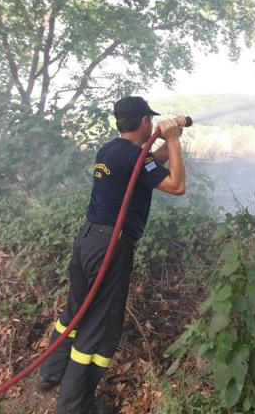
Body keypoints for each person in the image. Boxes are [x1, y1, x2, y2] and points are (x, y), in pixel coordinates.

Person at [36, 96, 188, 414]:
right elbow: (176, 186)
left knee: (75, 313)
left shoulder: (109, 151)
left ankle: (49, 375)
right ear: (144, 121)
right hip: (111, 247)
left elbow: (146, 166)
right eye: (150, 121)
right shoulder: (132, 157)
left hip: (88, 241)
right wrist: (174, 142)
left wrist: (166, 140)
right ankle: (73, 407)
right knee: (99, 328)